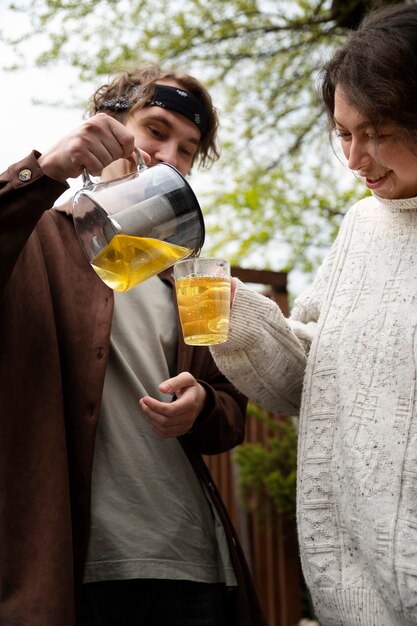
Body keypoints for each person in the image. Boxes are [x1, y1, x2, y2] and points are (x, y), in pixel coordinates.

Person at [0, 64, 267, 626]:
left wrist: (202, 405)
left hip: (192, 562)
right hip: (78, 572)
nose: (171, 155)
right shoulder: (35, 239)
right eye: (156, 129)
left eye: (188, 149)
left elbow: (229, 417)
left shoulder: (187, 274)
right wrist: (41, 172)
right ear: (108, 126)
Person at [210, 4, 417, 625]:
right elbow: (312, 379)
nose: (355, 159)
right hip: (349, 595)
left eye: (376, 132)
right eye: (344, 133)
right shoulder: (360, 226)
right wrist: (236, 313)